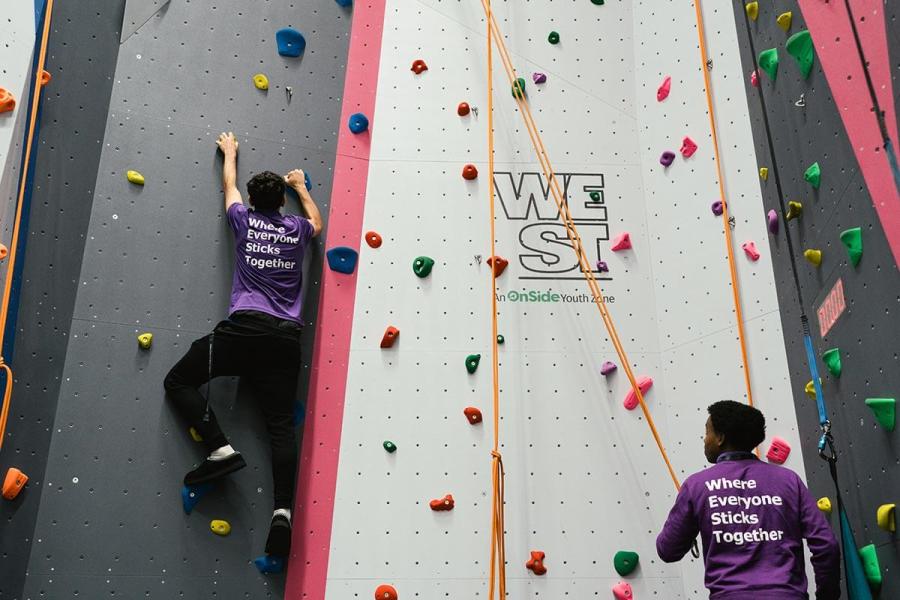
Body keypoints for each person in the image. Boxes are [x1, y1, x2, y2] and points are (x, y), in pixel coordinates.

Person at [164, 131, 322, 558]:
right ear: (282, 204)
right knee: (279, 429)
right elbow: (318, 223)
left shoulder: (243, 220)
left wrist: (230, 154)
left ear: (254, 203)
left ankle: (218, 446)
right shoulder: (297, 228)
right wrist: (302, 187)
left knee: (178, 380)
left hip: (241, 332)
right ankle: (283, 513)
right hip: (284, 339)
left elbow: (228, 186)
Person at [656, 400, 841, 599]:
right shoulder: (788, 481)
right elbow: (826, 545)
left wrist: (693, 522)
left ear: (720, 438)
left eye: (707, 432)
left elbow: (667, 550)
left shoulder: (696, 486)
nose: (704, 439)